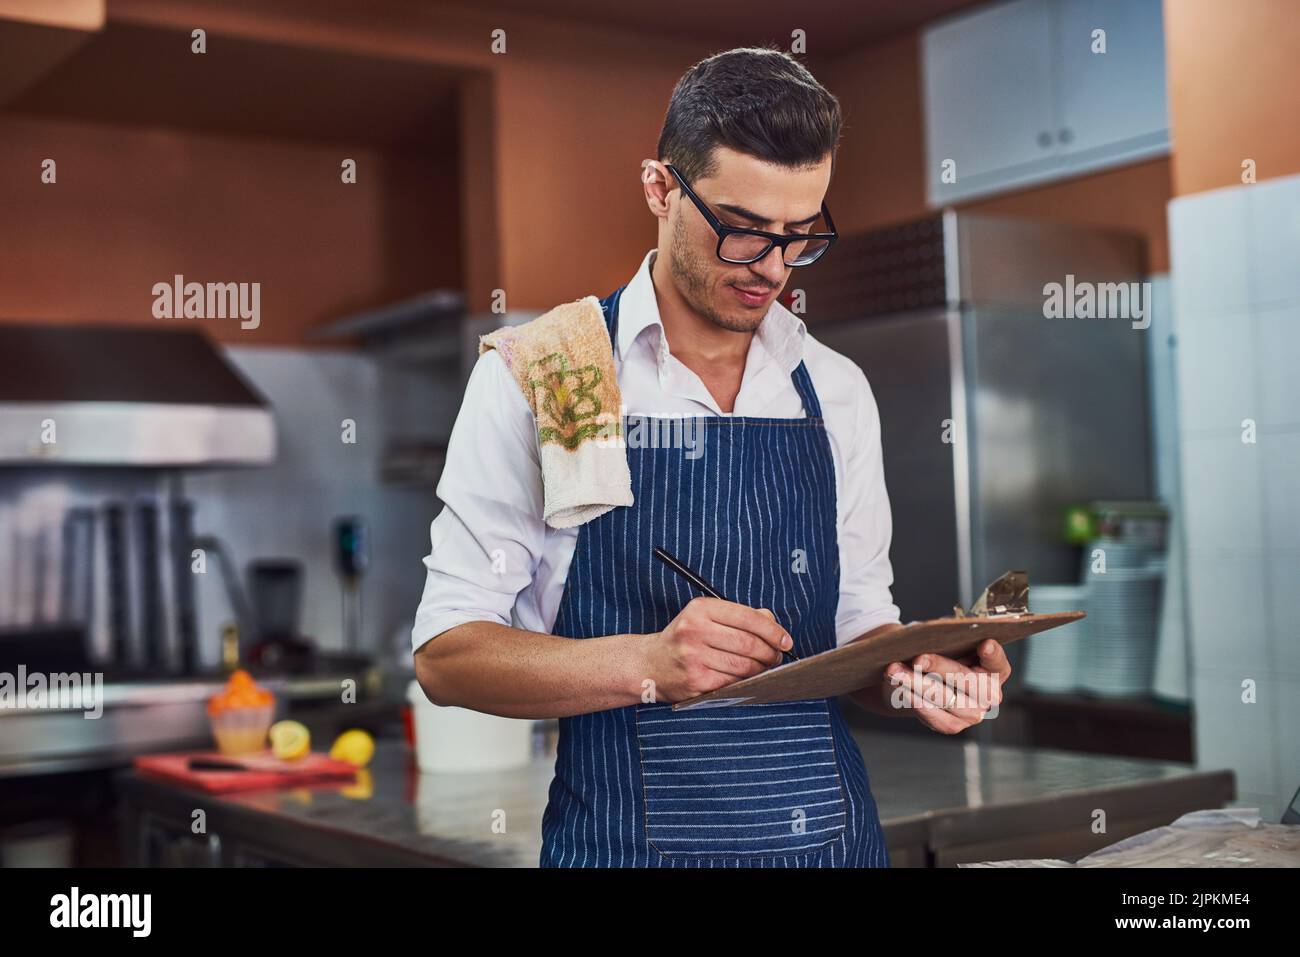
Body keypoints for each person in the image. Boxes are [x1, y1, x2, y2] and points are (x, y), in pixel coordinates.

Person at [412, 46, 1011, 867]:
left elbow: (858, 631)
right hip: (622, 845)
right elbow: (449, 659)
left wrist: (915, 673)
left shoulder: (833, 389)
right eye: (741, 230)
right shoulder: (548, 373)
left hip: (831, 845)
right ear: (660, 187)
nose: (772, 267)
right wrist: (647, 662)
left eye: (800, 236)